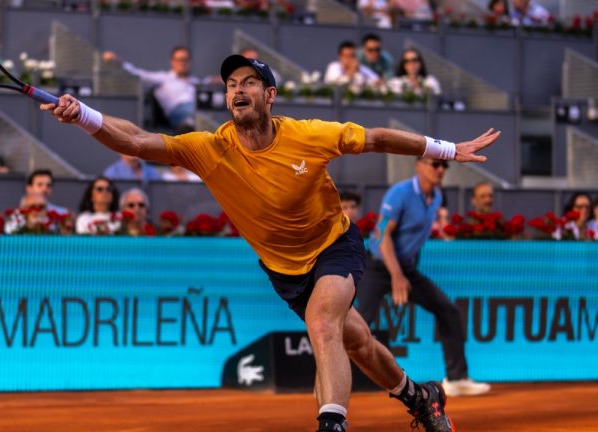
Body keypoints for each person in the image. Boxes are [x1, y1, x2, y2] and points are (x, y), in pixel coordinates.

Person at [42, 53, 499, 432]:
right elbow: (138, 141)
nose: (237, 90)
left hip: (334, 245)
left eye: (249, 82)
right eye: (230, 85)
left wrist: (444, 149)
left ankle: (331, 424)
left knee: (323, 324)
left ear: (269, 95)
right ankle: (421, 398)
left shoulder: (308, 135)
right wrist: (83, 115)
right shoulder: (209, 149)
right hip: (284, 269)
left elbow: (376, 138)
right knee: (355, 341)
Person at [357, 157, 491, 399]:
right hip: (377, 268)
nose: (440, 169)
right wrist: (396, 275)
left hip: (406, 270)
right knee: (358, 325)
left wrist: (407, 270)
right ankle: (327, 377)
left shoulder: (437, 198)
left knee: (448, 311)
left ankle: (457, 379)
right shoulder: (399, 193)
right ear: (419, 165)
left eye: (444, 166)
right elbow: (381, 236)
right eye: (435, 164)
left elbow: (416, 238)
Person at [102, 46, 200, 132]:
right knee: (197, 112)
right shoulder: (163, 78)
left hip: (199, 111)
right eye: (179, 59)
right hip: (179, 114)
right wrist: (118, 61)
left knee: (207, 109)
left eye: (185, 59)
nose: (182, 63)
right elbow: (138, 74)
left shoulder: (195, 81)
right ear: (172, 61)